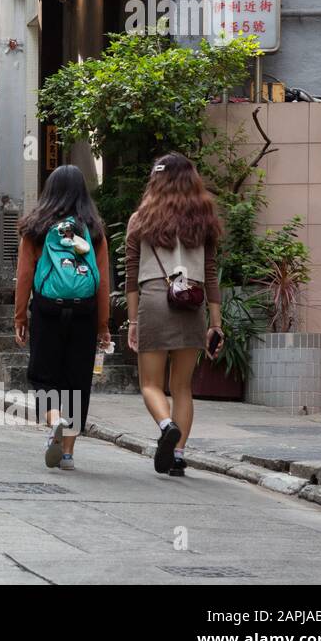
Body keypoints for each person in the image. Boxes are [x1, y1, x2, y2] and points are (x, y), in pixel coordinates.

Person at [126, 153, 224, 477]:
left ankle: (166, 426)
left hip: (155, 297)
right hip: (192, 300)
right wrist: (216, 323)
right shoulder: (205, 220)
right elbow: (210, 275)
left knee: (150, 384)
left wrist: (133, 321)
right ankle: (179, 454)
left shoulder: (141, 219)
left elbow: (130, 276)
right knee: (182, 386)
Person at [13, 166, 111, 471]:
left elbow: (25, 275)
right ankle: (67, 453)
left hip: (47, 309)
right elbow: (104, 281)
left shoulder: (36, 228)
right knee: (77, 380)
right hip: (84, 311)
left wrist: (20, 317)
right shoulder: (93, 230)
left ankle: (54, 419)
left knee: (43, 375)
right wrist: (103, 325)